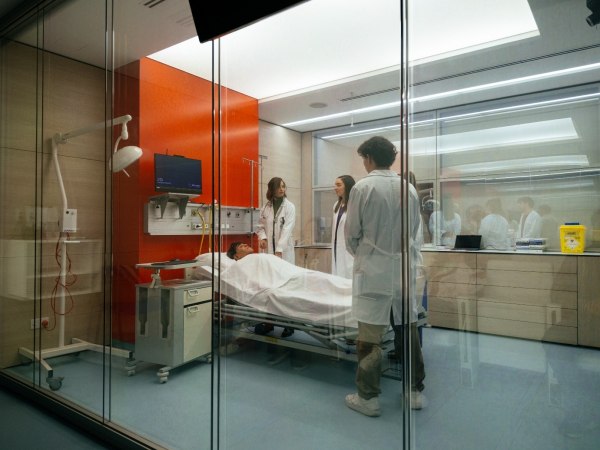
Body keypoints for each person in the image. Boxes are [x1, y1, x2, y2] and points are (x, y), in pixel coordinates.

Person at [344, 136, 425, 418]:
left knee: (370, 337)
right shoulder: (409, 189)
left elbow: (351, 234)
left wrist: (367, 255)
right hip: (402, 270)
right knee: (407, 330)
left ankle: (368, 397)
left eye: (363, 159)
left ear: (368, 158)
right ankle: (414, 392)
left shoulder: (363, 188)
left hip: (373, 272)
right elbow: (413, 231)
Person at [255, 177, 296, 338]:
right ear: (271, 189)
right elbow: (260, 226)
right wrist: (263, 238)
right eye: (279, 187)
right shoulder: (266, 207)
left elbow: (287, 229)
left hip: (283, 253)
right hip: (269, 253)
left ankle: (289, 324)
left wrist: (279, 250)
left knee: (286, 288)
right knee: (269, 288)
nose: (281, 189)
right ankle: (269, 323)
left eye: (283, 186)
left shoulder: (289, 206)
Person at [331, 175, 355, 278]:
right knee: (338, 277)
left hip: (348, 250)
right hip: (336, 248)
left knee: (348, 277)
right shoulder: (336, 205)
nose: (335, 188)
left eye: (339, 185)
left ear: (348, 186)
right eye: (335, 185)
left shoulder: (354, 205)